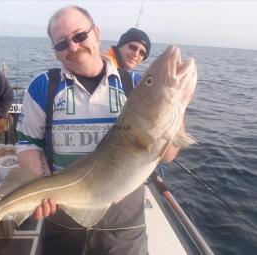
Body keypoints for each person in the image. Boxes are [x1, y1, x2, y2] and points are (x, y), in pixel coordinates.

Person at [16, 6, 183, 255]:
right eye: (61, 43)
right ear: (55, 51)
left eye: (79, 36)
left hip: (124, 227)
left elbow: (168, 154)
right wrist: (44, 186)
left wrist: (177, 105)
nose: (72, 46)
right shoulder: (43, 86)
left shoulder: (135, 84)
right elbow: (28, 145)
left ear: (96, 33)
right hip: (63, 218)